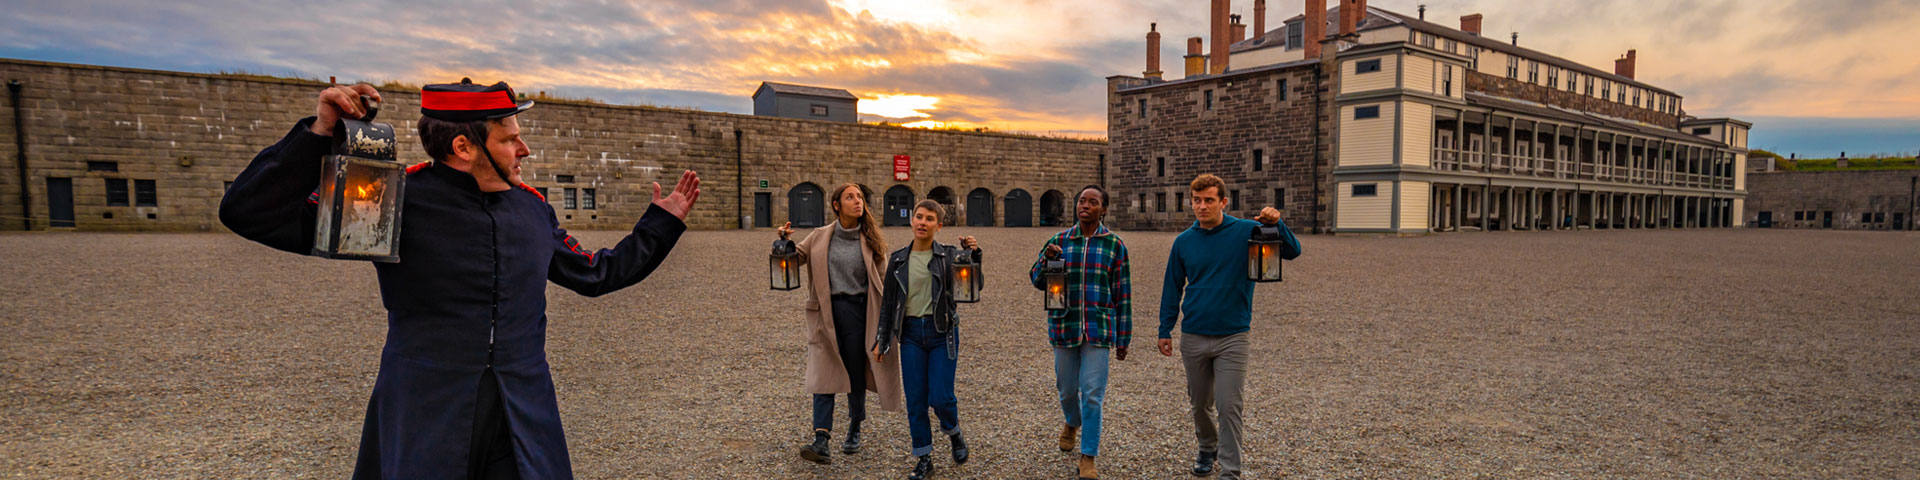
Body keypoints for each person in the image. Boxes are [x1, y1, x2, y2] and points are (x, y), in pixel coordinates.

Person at [220, 79, 700, 479]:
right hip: (426, 412)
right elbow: (248, 212)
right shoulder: (389, 202)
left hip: (523, 416)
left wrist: (661, 223)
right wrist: (320, 135)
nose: (524, 149)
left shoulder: (532, 209)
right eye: (510, 138)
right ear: (464, 146)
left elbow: (597, 274)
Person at [1157, 174, 1300, 479]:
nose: (1202, 206)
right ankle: (1207, 447)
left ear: (1223, 201)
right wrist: (1164, 329)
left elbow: (1292, 251)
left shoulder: (1247, 230)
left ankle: (1230, 472)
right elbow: (1172, 287)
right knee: (1199, 405)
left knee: (1229, 406)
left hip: (1233, 336)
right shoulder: (1184, 242)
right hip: (1194, 334)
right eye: (1197, 200)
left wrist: (1277, 223)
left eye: (1209, 200)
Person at [775, 183, 903, 465]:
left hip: (860, 313)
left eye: (859, 197)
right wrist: (783, 242)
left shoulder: (870, 239)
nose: (857, 201)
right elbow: (794, 259)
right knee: (824, 372)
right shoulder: (820, 236)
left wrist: (887, 325)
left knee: (856, 374)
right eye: (850, 197)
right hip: (827, 312)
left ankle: (855, 427)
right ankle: (821, 438)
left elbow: (883, 284)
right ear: (836, 205)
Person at [1029, 185, 1131, 480]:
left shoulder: (1114, 245)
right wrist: (1047, 260)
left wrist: (1123, 338)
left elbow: (1123, 294)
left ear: (1104, 209)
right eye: (1081, 201)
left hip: (1099, 329)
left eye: (1093, 202)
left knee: (1093, 395)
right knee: (1066, 390)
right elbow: (1036, 280)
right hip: (1064, 325)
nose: (1085, 205)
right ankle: (1071, 422)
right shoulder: (1059, 240)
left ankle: (1088, 456)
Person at [874, 200, 981, 480]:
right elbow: (888, 304)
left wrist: (973, 256)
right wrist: (882, 339)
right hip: (909, 335)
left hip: (941, 333)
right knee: (916, 401)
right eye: (919, 217)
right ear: (912, 221)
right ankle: (924, 458)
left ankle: (954, 431)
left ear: (939, 225)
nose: (922, 222)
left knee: (941, 397)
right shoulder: (898, 259)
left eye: (929, 219)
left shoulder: (948, 256)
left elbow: (973, 287)